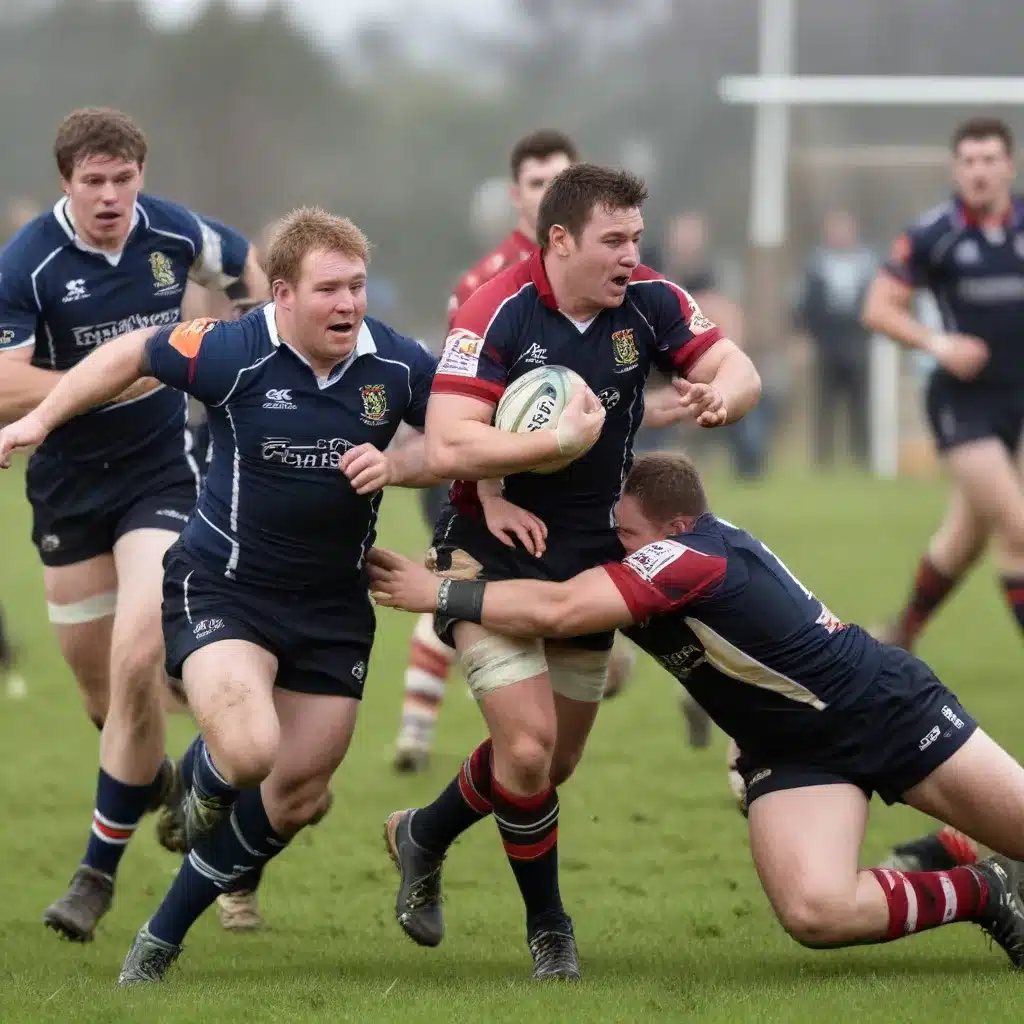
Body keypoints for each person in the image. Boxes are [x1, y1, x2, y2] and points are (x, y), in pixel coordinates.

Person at [0, 206, 488, 985]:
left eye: (357, 287)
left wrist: (404, 467)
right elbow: (130, 352)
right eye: (329, 289)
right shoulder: (234, 348)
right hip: (225, 588)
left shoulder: (394, 364)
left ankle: (162, 926)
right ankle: (202, 784)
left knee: (297, 792)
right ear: (282, 295)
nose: (348, 304)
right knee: (253, 748)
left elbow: (460, 437)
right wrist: (41, 420)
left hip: (331, 610)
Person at [369, 451, 1024, 969]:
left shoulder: (692, 558)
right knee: (814, 913)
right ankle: (987, 891)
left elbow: (561, 608)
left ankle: (962, 843)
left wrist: (440, 592)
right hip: (789, 752)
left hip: (888, 712)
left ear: (672, 529)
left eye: (625, 535)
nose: (613, 548)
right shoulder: (670, 549)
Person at [382, 163, 760, 980]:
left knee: (550, 768)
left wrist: (726, 395)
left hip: (590, 560)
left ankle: (425, 832)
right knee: (526, 748)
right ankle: (550, 928)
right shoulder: (497, 312)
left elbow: (736, 362)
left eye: (637, 238)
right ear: (560, 241)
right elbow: (447, 443)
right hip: (486, 546)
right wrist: (547, 449)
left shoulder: (650, 301)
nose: (633, 255)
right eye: (613, 241)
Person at [0, 107, 267, 942]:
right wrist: (115, 376)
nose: (111, 196)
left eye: (123, 179)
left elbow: (251, 274)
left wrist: (247, 340)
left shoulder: (175, 232)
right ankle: (171, 775)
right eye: (94, 182)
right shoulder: (27, 263)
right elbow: (6, 389)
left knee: (138, 650)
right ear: (66, 185)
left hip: (159, 478)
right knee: (101, 688)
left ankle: (95, 876)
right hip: (67, 491)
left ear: (139, 177)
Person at [863, 117, 1024, 651]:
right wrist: (939, 345)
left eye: (989, 160)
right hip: (964, 405)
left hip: (1018, 398)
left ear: (1010, 165)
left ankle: (901, 634)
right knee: (1019, 530)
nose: (979, 171)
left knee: (965, 538)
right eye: (969, 162)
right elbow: (878, 308)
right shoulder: (934, 234)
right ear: (957, 169)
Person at [797, 210, 877, 469]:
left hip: (857, 342)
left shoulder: (868, 263)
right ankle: (823, 461)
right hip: (827, 344)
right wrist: (806, 337)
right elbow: (805, 305)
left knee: (860, 405)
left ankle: (861, 458)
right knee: (825, 405)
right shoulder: (816, 264)